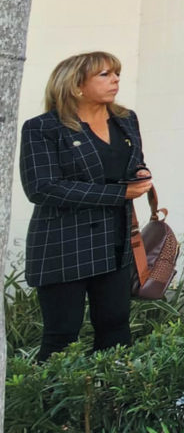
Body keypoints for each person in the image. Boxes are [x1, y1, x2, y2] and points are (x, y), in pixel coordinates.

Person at [19, 52, 155, 361]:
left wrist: (141, 175)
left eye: (116, 73)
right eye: (105, 75)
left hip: (115, 240)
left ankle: (111, 405)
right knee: (61, 337)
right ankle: (54, 407)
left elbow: (132, 164)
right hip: (63, 243)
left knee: (116, 330)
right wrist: (117, 194)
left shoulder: (125, 119)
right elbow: (42, 188)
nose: (116, 80)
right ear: (77, 85)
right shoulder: (43, 128)